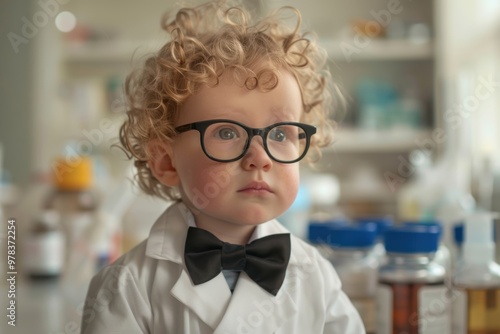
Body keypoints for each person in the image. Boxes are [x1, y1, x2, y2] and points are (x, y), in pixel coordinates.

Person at [81, 1, 364, 333]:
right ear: (166, 161)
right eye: (227, 132)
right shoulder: (128, 287)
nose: (260, 157)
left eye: (280, 133)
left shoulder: (315, 275)